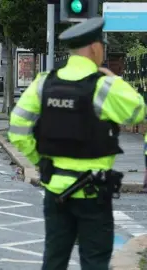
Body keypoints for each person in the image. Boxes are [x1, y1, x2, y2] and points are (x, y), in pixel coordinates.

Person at [8, 18, 146, 270]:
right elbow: (137, 111)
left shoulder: (43, 83)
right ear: (95, 48)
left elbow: (17, 129)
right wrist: (113, 78)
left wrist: (41, 161)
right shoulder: (102, 86)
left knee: (54, 258)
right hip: (93, 192)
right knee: (94, 260)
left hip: (55, 189)